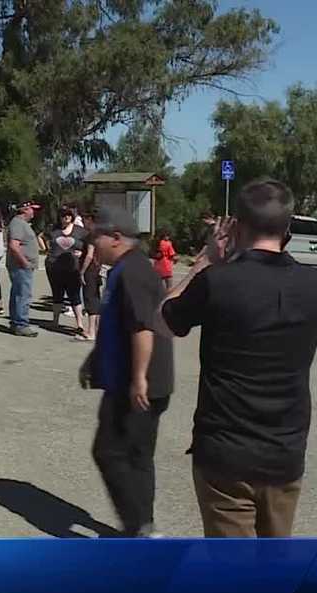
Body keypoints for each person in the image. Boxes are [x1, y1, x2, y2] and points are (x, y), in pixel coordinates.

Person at [160, 179, 317, 593]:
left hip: (224, 452)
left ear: (235, 226)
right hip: (285, 450)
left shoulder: (218, 281)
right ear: (290, 228)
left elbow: (166, 318)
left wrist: (205, 261)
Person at [79, 206, 174, 538]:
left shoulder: (132, 271)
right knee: (137, 457)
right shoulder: (128, 268)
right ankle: (142, 528)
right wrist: (94, 359)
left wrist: (138, 379)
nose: (93, 244)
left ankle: (139, 527)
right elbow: (120, 326)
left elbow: (141, 328)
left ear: (116, 238)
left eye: (96, 238)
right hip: (139, 380)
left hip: (136, 384)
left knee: (109, 452)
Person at [44, 208, 90, 339]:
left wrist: (83, 253)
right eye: (63, 216)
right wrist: (46, 249)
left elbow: (90, 244)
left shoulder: (80, 231)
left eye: (68, 216)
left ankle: (79, 324)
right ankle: (55, 321)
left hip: (73, 267)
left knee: (75, 295)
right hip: (54, 267)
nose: (66, 218)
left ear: (72, 217)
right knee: (57, 294)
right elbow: (41, 236)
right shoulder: (54, 229)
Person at [6, 201, 41, 337]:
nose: (34, 212)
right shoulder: (18, 224)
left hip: (22, 265)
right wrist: (24, 262)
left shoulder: (21, 224)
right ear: (25, 210)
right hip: (20, 266)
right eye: (32, 209)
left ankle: (16, 322)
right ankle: (21, 323)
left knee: (19, 293)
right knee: (23, 294)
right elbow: (14, 245)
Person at [79, 208, 102, 341]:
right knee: (96, 299)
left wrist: (82, 271)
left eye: (84, 220)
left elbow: (89, 255)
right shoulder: (101, 235)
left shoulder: (91, 236)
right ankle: (97, 330)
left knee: (90, 300)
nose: (83, 222)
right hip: (97, 269)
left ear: (90, 220)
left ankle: (91, 331)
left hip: (90, 270)